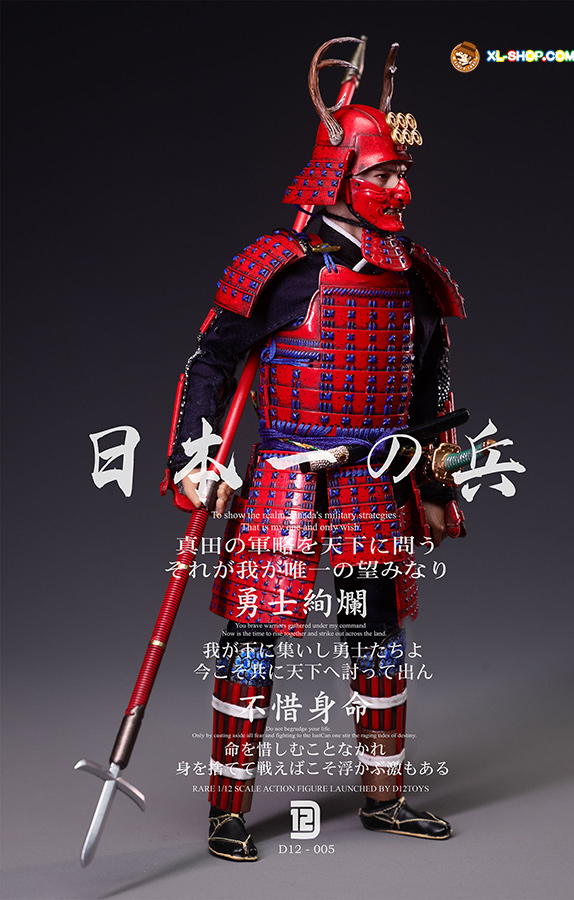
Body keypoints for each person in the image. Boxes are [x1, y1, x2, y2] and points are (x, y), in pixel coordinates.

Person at [167, 38, 466, 862]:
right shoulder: (279, 268)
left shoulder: (414, 277)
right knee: (254, 639)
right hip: (284, 478)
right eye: (382, 173)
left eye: (402, 173)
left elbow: (432, 386)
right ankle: (228, 809)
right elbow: (209, 362)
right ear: (338, 174)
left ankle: (385, 796)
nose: (400, 188)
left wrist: (434, 484)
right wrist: (197, 455)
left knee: (379, 637)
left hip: (375, 479)